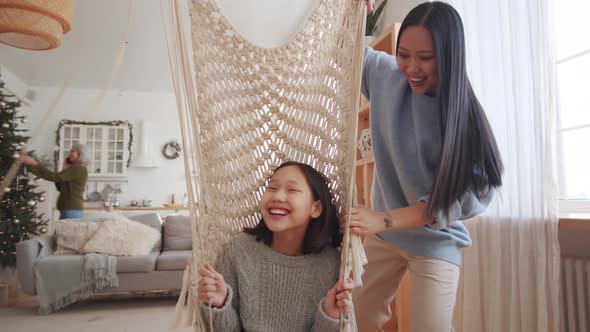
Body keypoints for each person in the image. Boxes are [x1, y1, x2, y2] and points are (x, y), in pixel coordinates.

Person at [343, 2, 504, 331]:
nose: (411, 67)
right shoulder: (385, 75)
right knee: (354, 318)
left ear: (449, 56)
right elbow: (344, 42)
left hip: (434, 239)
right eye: (403, 54)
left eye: (425, 58)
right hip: (386, 236)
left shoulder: (466, 125)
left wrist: (379, 219)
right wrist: (349, 7)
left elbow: (440, 206)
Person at [197, 161, 353, 331]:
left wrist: (330, 316)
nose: (277, 196)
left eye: (292, 190)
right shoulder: (239, 250)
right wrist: (220, 305)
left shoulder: (331, 262)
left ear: (315, 208)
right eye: (271, 188)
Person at [20, 143, 89, 220]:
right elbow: (59, 187)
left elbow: (55, 177)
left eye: (72, 151)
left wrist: (34, 163)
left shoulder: (78, 168)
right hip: (68, 210)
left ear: (80, 154)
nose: (69, 154)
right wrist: (64, 169)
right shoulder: (75, 169)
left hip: (71, 210)